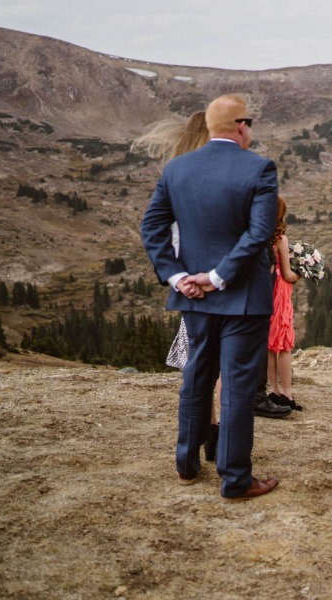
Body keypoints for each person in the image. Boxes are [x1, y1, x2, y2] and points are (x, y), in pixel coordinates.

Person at [141, 93, 280, 500]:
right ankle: (235, 479)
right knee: (236, 385)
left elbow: (152, 228)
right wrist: (218, 276)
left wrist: (178, 275)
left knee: (196, 377)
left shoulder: (177, 168)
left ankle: (186, 466)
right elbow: (258, 235)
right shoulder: (260, 169)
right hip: (243, 298)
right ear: (241, 126)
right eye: (249, 123)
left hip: (194, 299)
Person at [132, 111, 226, 460]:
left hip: (190, 289)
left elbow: (160, 233)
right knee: (222, 368)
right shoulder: (219, 176)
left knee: (199, 368)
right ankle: (217, 441)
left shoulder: (175, 176)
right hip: (220, 286)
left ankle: (196, 446)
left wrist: (180, 278)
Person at [267, 196, 302, 410]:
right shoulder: (280, 238)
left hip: (265, 288)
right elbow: (288, 274)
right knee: (284, 345)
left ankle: (273, 390)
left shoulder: (261, 236)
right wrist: (300, 274)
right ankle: (287, 393)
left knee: (270, 345)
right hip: (279, 289)